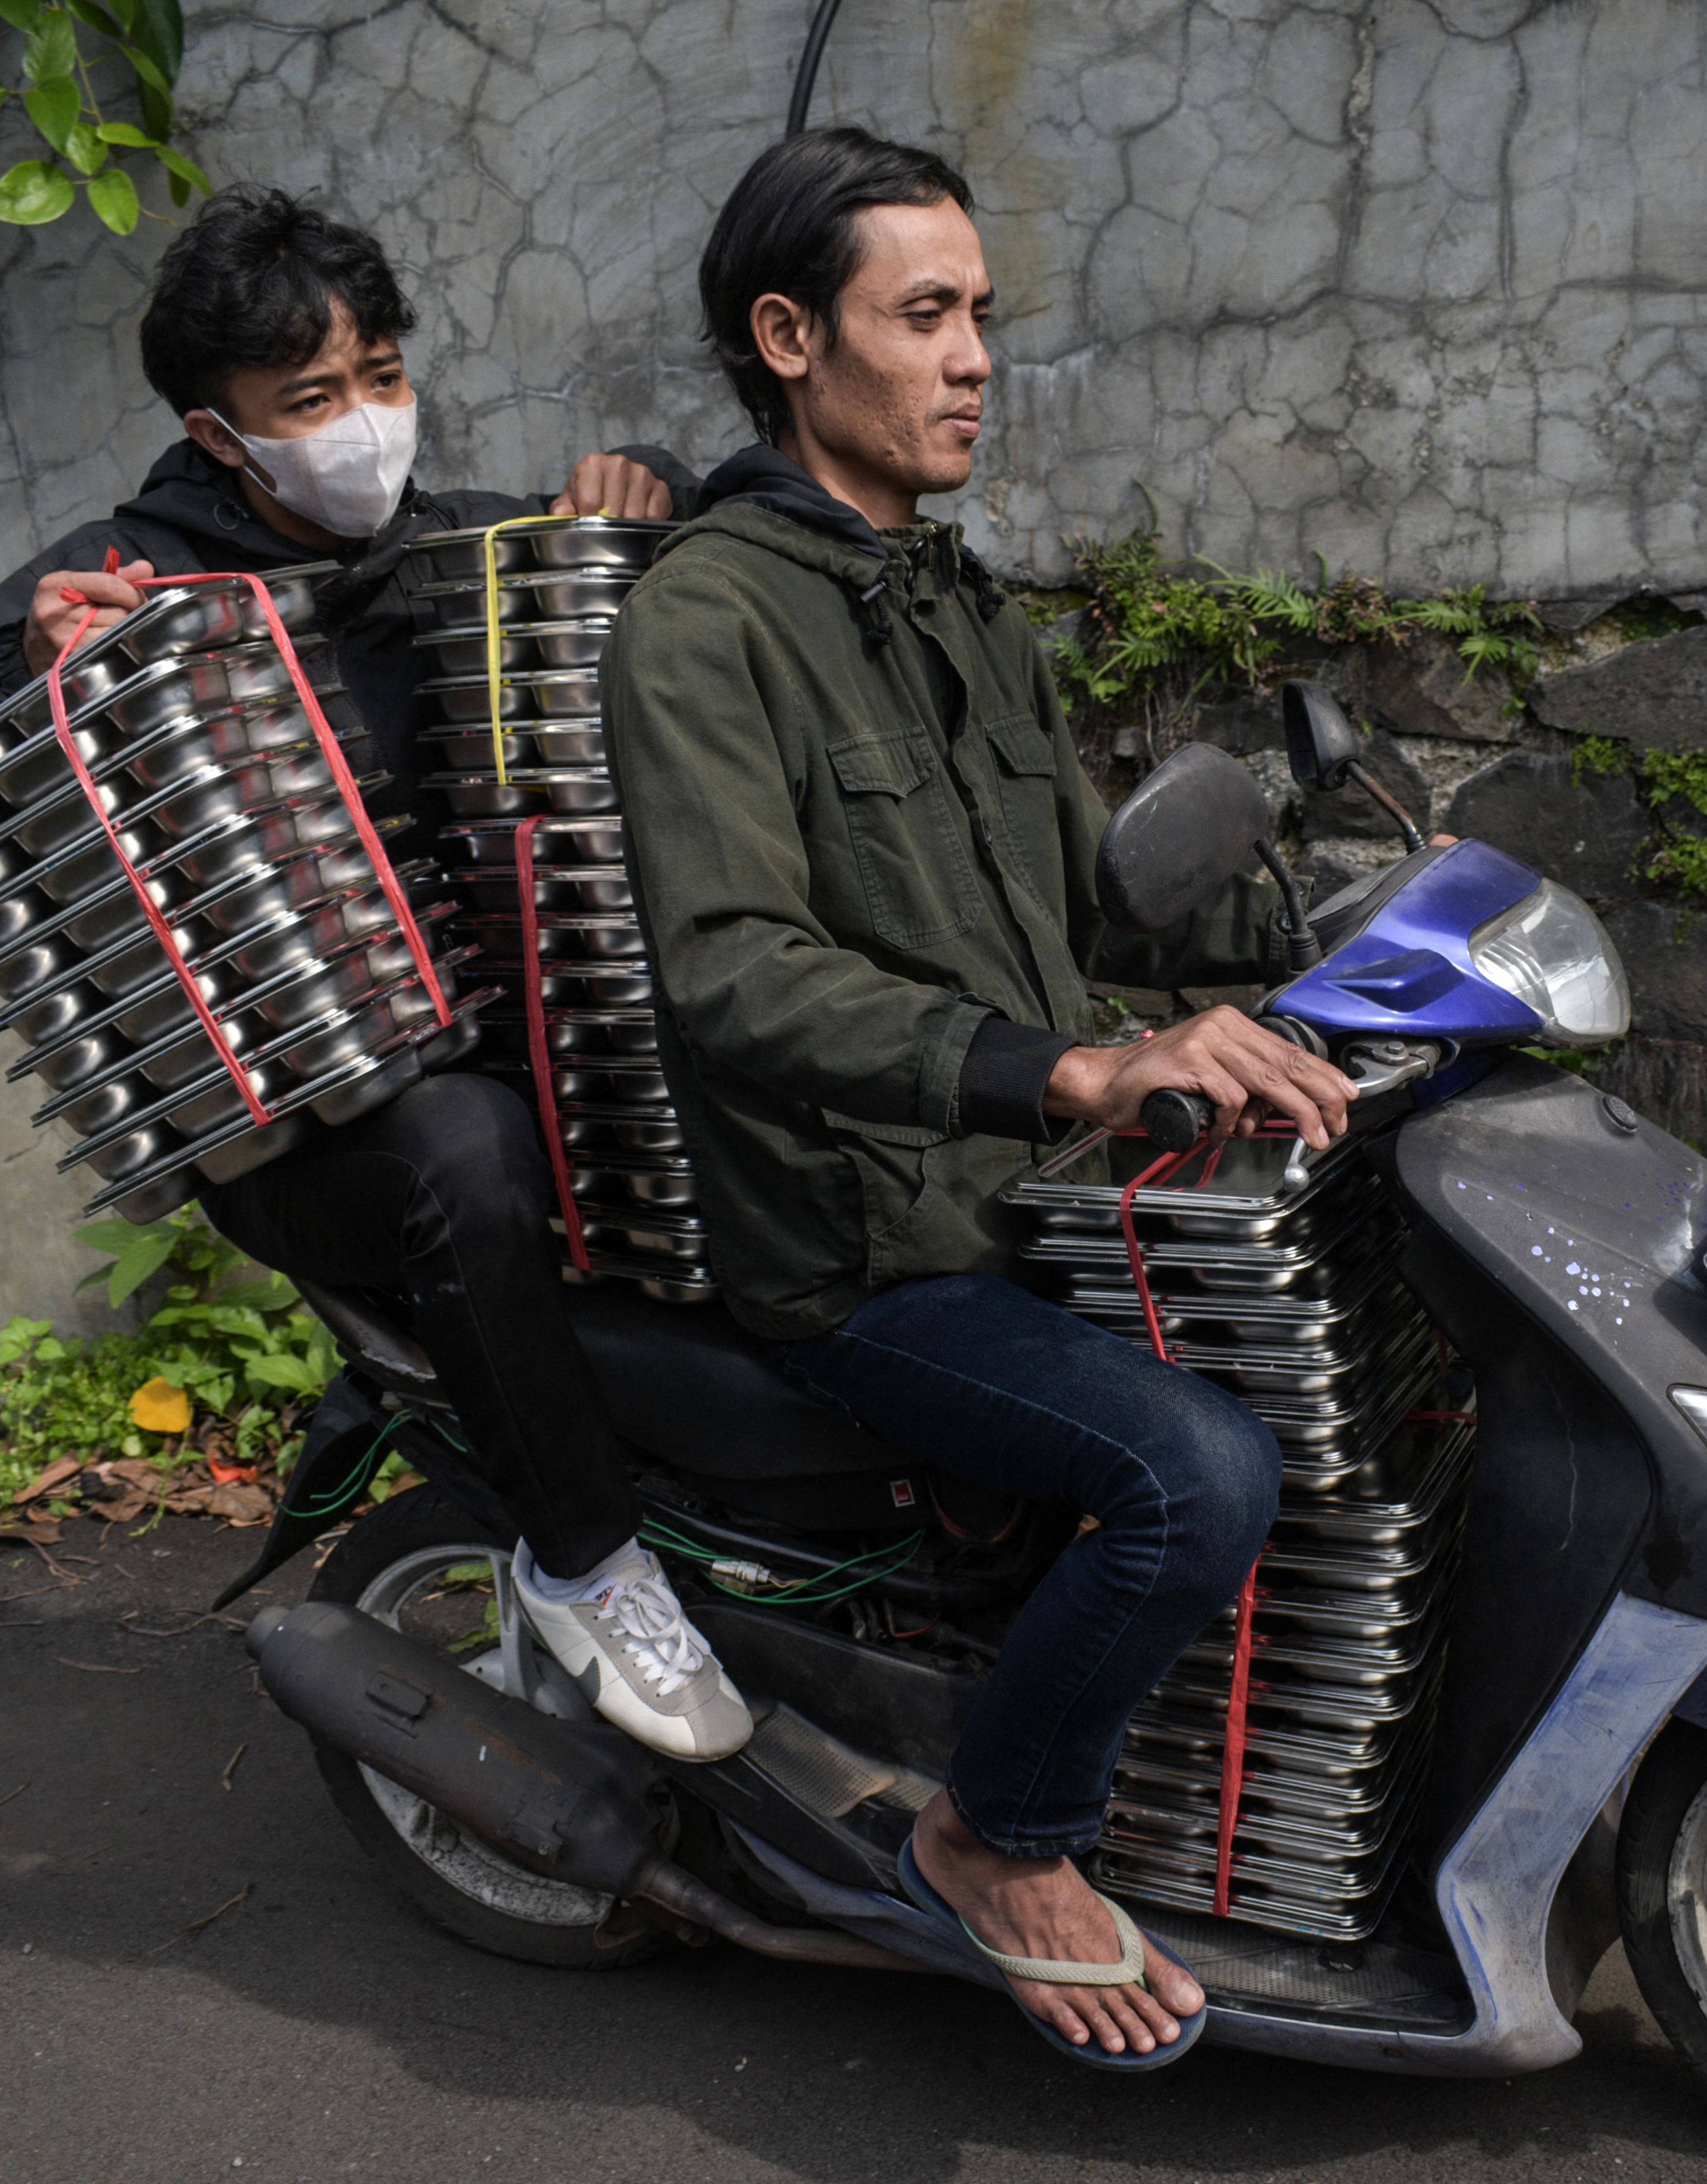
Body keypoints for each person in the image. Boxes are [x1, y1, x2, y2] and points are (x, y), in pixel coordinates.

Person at [0, 187, 754, 1764]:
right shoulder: (120, 578)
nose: (363, 424)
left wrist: (644, 497)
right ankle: (589, 1566)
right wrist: (10, 661)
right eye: (310, 402)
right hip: (311, 1134)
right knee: (465, 1148)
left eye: (381, 375)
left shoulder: (456, 547)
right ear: (220, 431)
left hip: (526, 1061)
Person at [602, 129, 1362, 2065]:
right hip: (872, 1242)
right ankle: (993, 1835)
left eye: (981, 319)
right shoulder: (708, 619)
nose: (974, 361)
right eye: (924, 315)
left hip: (1036, 1184)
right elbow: (735, 973)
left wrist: (1308, 963)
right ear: (790, 338)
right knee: (1198, 1475)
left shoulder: (955, 602)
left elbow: (1090, 892)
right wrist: (1087, 1067)